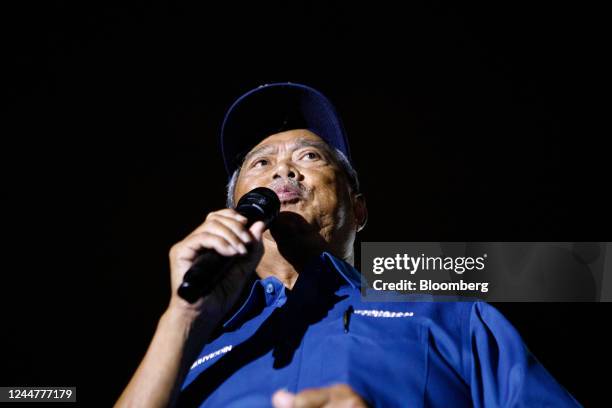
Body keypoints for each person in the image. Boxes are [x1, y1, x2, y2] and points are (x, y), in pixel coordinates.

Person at [115, 83, 581, 407]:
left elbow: (576, 270)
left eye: (309, 156)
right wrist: (181, 319)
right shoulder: (186, 351)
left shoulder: (448, 313)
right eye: (260, 163)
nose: (282, 171)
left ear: (358, 210)